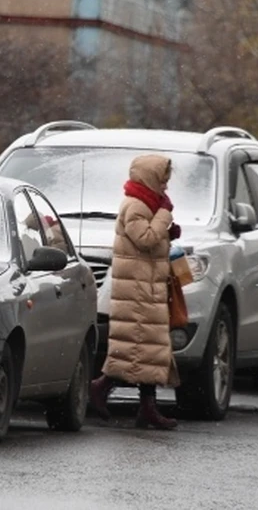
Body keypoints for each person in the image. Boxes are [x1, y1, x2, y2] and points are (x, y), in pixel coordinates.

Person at [88, 154, 181, 430]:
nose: (165, 186)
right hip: (137, 292)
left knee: (145, 350)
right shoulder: (136, 206)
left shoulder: (146, 204)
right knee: (138, 349)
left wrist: (168, 230)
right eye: (162, 180)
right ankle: (101, 387)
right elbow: (146, 239)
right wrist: (165, 217)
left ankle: (146, 407)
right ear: (149, 177)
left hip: (144, 288)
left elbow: (153, 239)